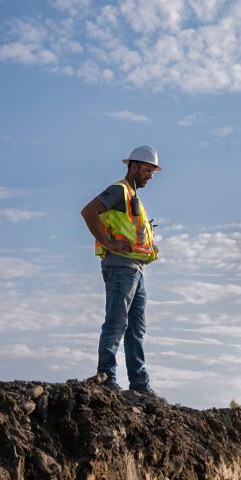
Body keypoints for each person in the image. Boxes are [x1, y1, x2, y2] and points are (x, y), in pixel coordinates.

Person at [80, 145, 161, 393]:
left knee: (136, 328)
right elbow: (88, 211)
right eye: (147, 170)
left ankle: (139, 385)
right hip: (120, 267)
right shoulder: (119, 190)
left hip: (136, 270)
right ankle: (106, 377)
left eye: (153, 171)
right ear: (133, 166)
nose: (151, 175)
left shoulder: (133, 196)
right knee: (116, 323)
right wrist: (108, 242)